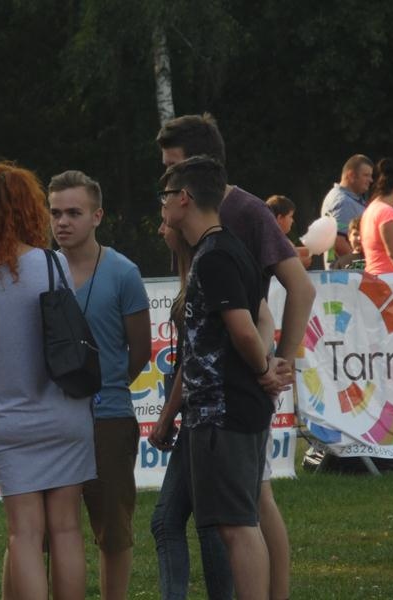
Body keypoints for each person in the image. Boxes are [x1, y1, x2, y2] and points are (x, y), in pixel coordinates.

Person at [156, 113, 315, 600]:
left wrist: (275, 367)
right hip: (209, 398)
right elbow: (203, 326)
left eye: (170, 170)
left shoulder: (241, 218)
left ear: (192, 180)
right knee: (205, 519)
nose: (163, 182)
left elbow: (280, 300)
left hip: (228, 400)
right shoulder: (200, 237)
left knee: (246, 513)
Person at [0, 162, 95, 600]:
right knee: (67, 529)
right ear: (32, 208)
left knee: (24, 535)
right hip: (65, 413)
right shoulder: (53, 262)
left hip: (8, 419)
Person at [48, 169, 152, 600]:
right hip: (51, 418)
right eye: (55, 212)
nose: (62, 222)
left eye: (74, 212)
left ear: (97, 216)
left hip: (108, 417)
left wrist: (107, 386)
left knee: (113, 530)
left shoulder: (123, 272)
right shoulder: (39, 270)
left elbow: (140, 350)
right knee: (49, 531)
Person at [148, 216, 234, 600]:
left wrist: (165, 417)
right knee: (172, 521)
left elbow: (192, 359)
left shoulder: (203, 271)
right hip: (198, 416)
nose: (160, 230)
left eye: (164, 223)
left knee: (199, 523)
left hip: (207, 416)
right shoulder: (194, 272)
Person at [320, 154, 375, 263]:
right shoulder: (344, 201)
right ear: (351, 175)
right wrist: (361, 266)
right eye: (366, 175)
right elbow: (338, 241)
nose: (371, 180)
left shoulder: (345, 198)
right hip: (349, 273)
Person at [266, 194, 312, 269]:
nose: (292, 221)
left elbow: (293, 251)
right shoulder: (275, 241)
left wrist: (316, 248)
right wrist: (300, 263)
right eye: (290, 216)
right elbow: (279, 266)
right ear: (280, 218)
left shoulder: (277, 238)